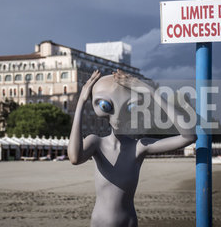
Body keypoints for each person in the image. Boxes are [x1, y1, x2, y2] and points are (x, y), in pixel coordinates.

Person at [68, 70, 197, 227]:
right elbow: (74, 158)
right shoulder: (96, 143)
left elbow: (189, 136)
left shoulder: (139, 147)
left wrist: (150, 91)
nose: (118, 116)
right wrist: (81, 102)